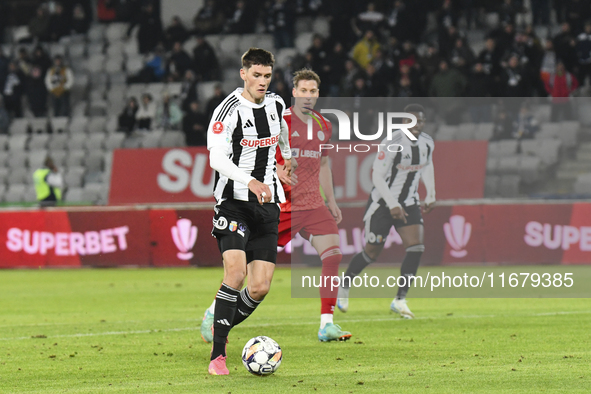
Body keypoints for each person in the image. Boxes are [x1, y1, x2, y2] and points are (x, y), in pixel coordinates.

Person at [203, 48, 292, 375]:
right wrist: (251, 181)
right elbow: (216, 159)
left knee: (259, 287)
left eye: (267, 76)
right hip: (234, 203)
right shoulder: (227, 110)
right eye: (256, 75)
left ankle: (215, 320)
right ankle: (218, 354)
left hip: (268, 207)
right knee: (236, 273)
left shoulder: (276, 104)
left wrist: (285, 160)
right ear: (243, 74)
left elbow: (280, 135)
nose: (262, 82)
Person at [337, 104, 436, 319]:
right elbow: (377, 177)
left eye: (421, 121)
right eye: (413, 120)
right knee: (371, 252)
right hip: (382, 203)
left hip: (409, 201)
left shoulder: (427, 142)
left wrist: (431, 193)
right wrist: (392, 204)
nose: (417, 125)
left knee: (416, 247)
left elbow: (427, 166)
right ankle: (344, 285)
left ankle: (400, 300)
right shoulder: (392, 143)